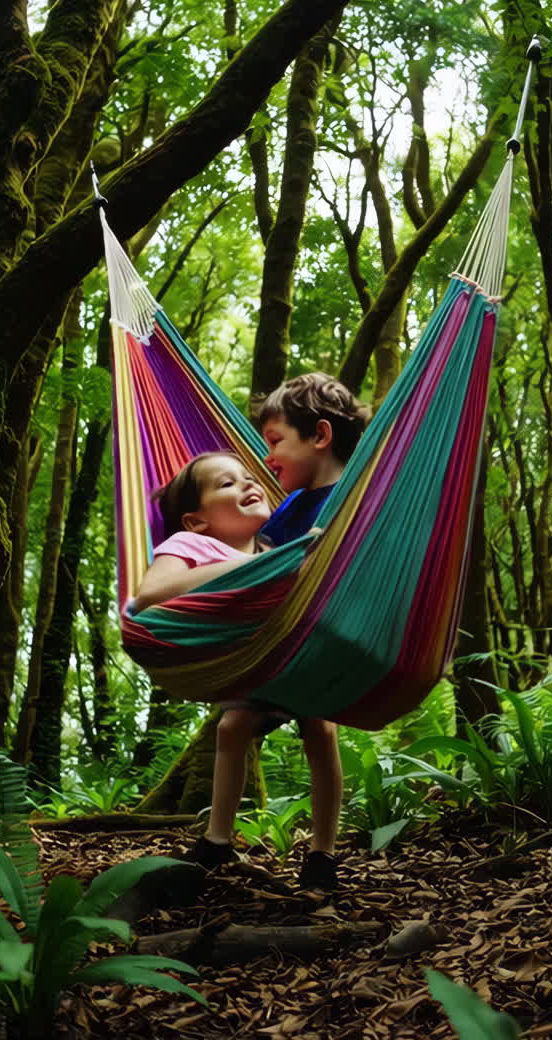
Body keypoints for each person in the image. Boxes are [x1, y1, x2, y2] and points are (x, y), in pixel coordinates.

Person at [195, 372, 366, 894]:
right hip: (280, 640)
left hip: (329, 636)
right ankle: (217, 842)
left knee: (320, 729)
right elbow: (263, 561)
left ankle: (322, 854)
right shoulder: (289, 508)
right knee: (230, 728)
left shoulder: (359, 497)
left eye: (274, 442)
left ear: (319, 435)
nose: (265, 457)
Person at [131, 451, 271, 615]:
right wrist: (253, 565)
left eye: (250, 478)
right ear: (196, 522)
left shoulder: (273, 548)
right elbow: (148, 597)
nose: (249, 484)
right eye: (227, 484)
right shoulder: (188, 543)